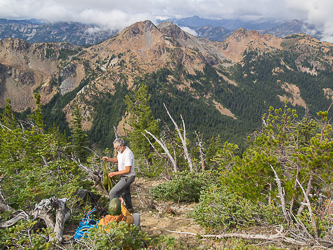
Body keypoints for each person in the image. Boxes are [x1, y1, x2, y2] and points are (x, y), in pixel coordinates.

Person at [102, 138, 135, 213]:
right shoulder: (120, 151)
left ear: (122, 146)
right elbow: (117, 159)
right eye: (114, 148)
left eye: (116, 148)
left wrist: (114, 173)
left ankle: (114, 212)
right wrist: (108, 159)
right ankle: (129, 209)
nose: (115, 149)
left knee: (113, 193)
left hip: (128, 177)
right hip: (125, 176)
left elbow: (127, 170)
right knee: (125, 192)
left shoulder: (127, 154)